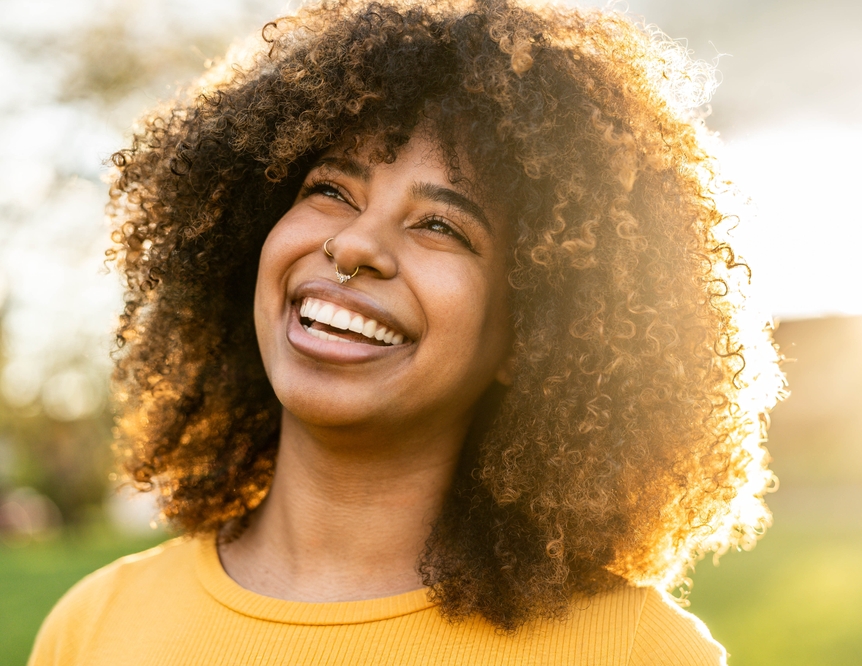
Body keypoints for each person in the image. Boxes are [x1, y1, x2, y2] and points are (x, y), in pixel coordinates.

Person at [29, 0, 783, 663]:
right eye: (330, 188)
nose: (355, 245)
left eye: (441, 225)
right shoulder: (93, 628)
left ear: (534, 335)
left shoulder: (635, 655)